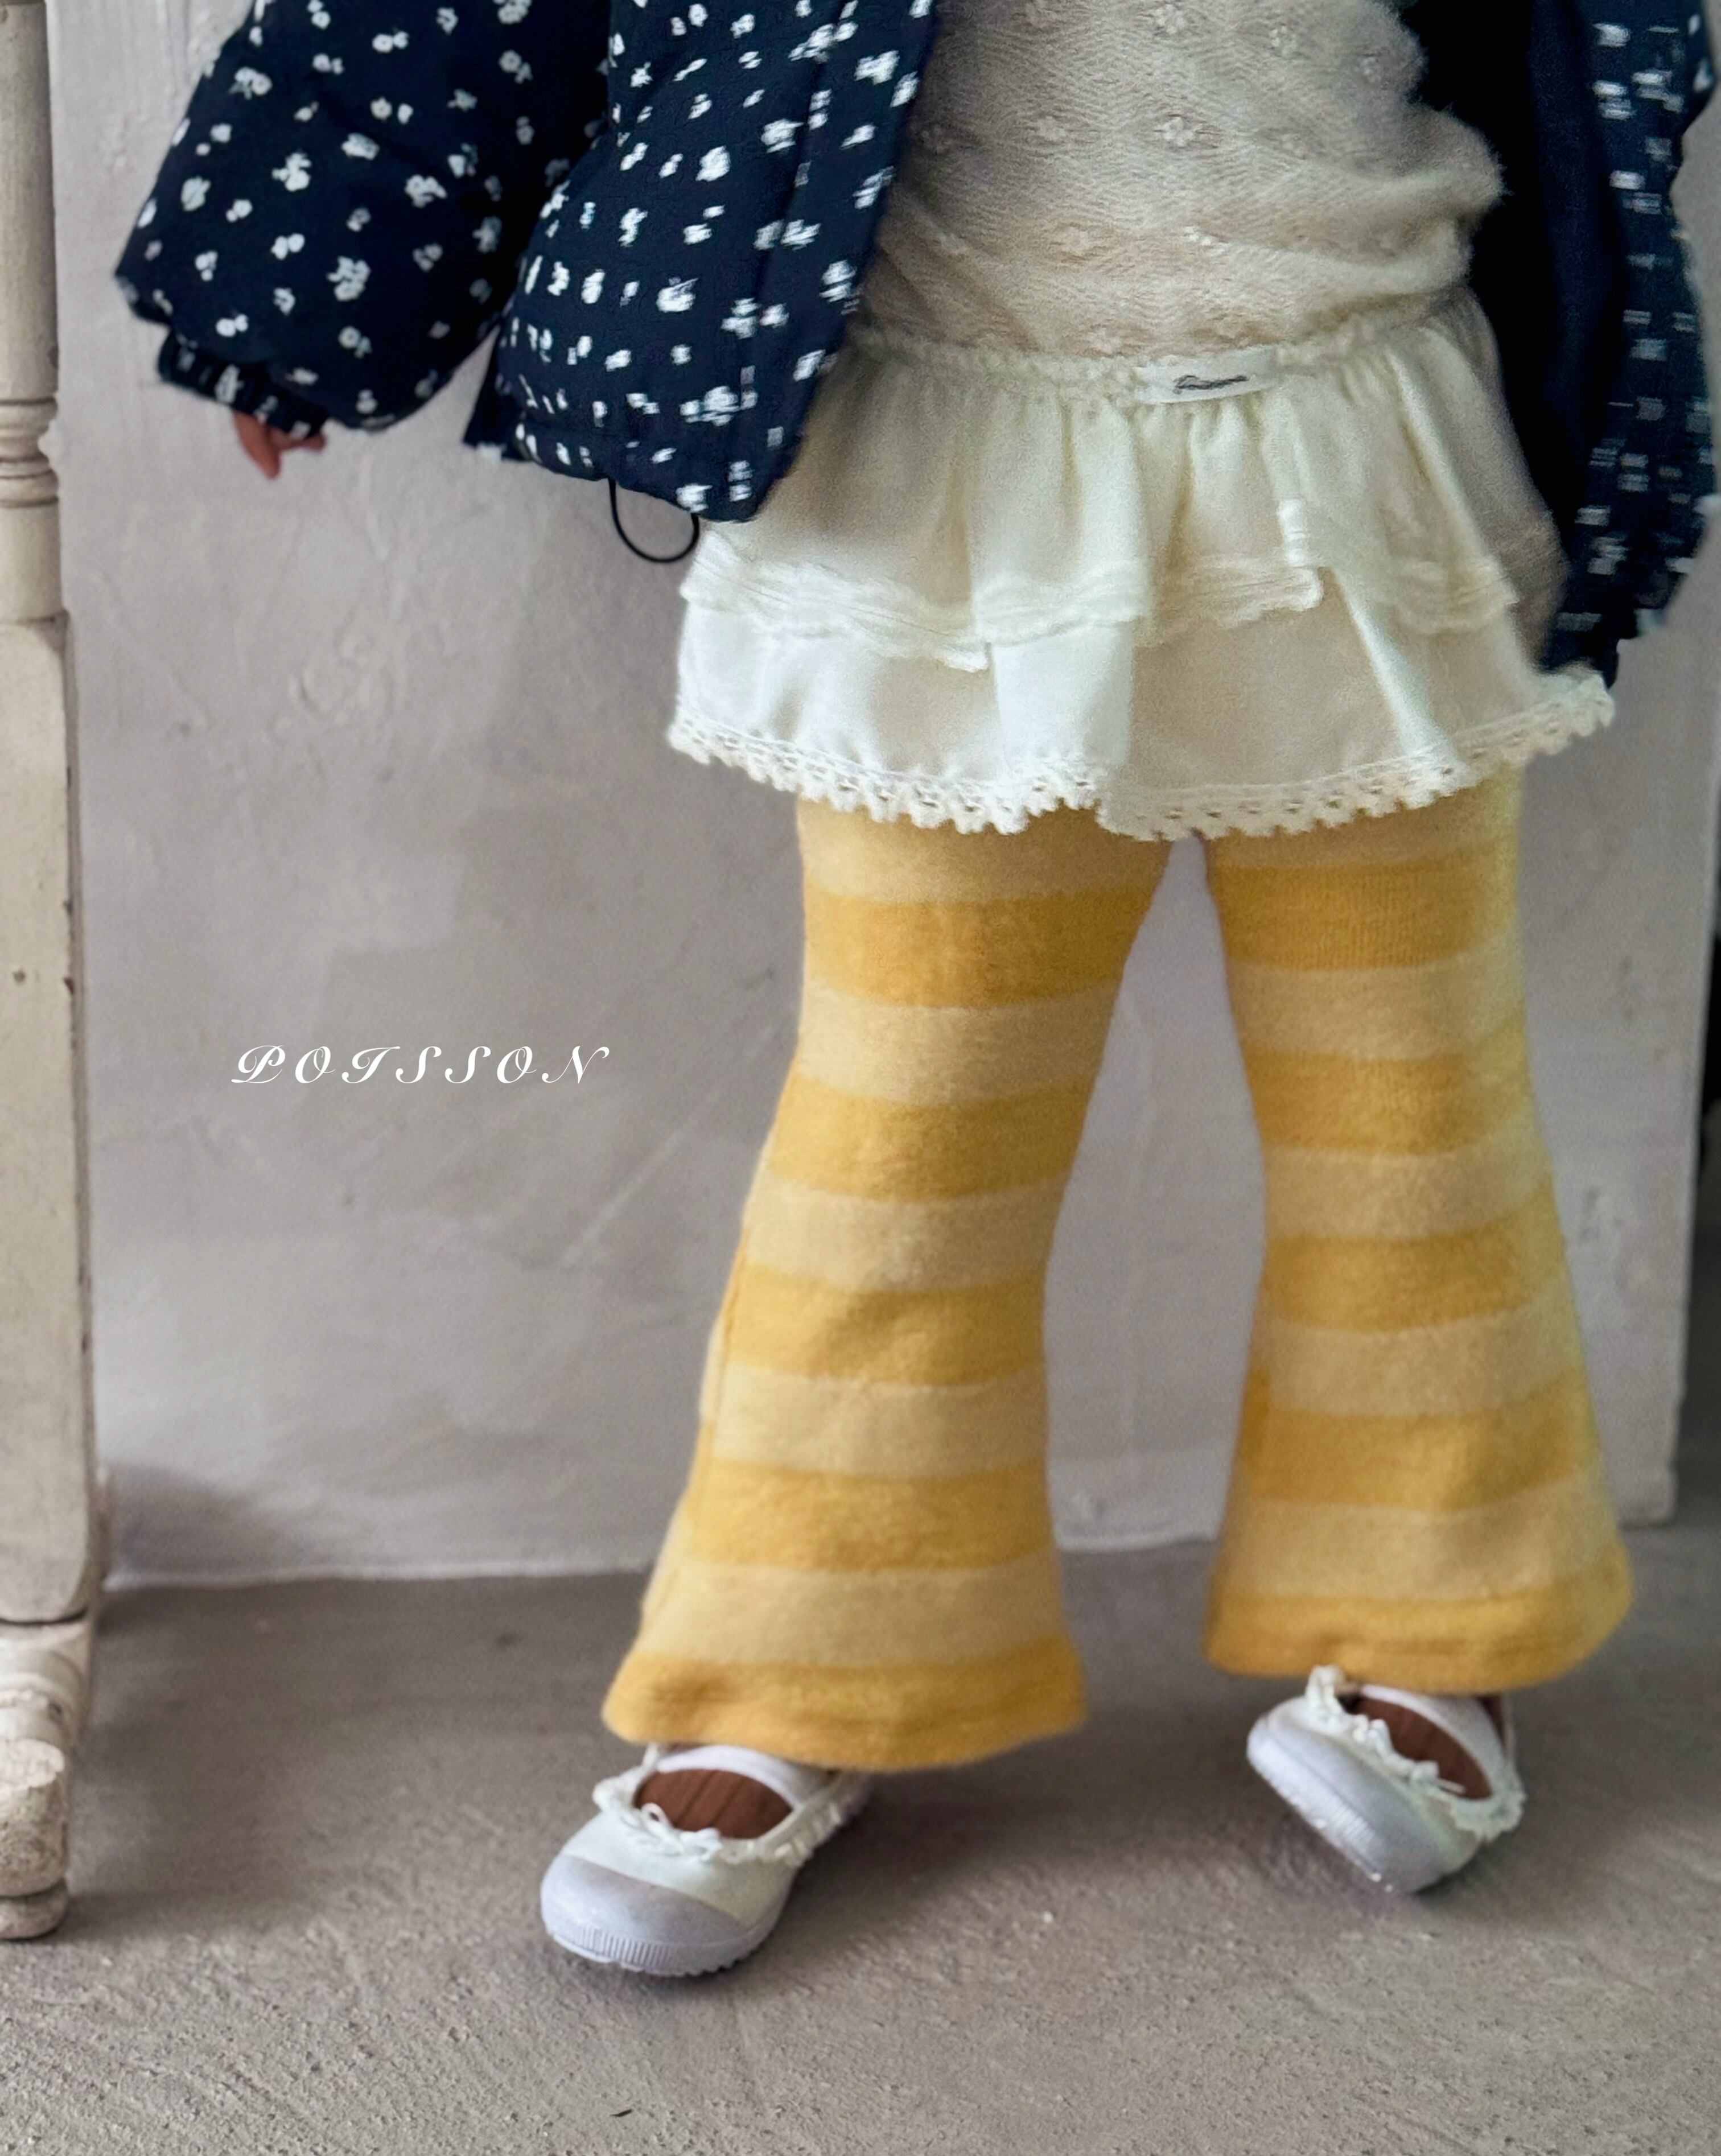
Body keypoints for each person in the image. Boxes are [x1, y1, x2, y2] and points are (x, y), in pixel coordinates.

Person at [124, 0, 1700, 1976]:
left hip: (1362, 452)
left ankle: (1441, 1627)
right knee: (907, 1137)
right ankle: (800, 1668)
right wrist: (300, 284)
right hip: (945, 484)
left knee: (1415, 1116)